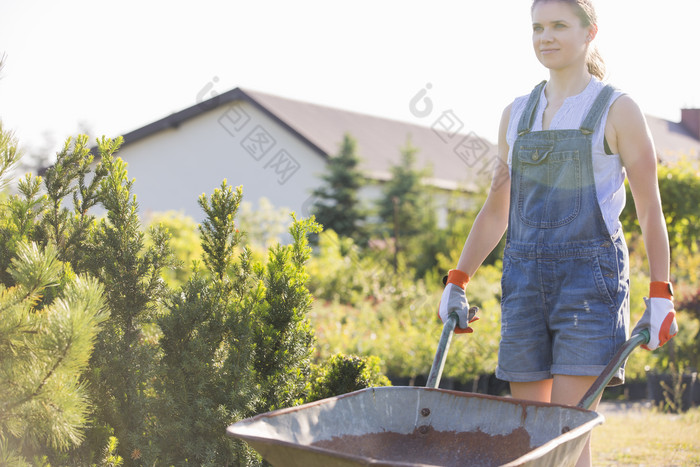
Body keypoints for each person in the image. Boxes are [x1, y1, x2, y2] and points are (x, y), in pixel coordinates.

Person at [438, 0, 678, 465]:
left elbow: (651, 210)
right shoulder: (518, 113)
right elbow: (497, 208)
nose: (545, 37)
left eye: (558, 26)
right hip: (525, 285)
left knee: (565, 436)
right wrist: (457, 279)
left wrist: (660, 293)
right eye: (537, 28)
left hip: (590, 287)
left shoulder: (617, 110)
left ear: (590, 32)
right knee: (530, 437)